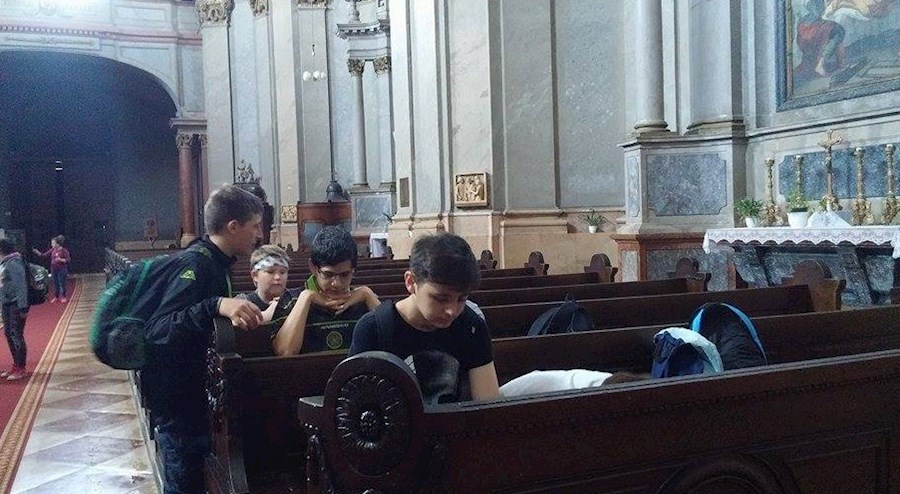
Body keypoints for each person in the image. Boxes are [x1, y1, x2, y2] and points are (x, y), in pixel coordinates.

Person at [142, 184, 266, 494]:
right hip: (177, 405)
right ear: (233, 227)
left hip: (194, 399)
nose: (259, 234)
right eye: (254, 226)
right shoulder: (195, 264)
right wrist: (215, 305)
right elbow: (158, 330)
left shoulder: (216, 261)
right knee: (183, 483)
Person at [349, 233, 500, 401]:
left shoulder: (472, 326)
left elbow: (487, 404)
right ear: (411, 282)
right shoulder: (373, 329)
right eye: (440, 298)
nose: (451, 311)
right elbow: (357, 402)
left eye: (461, 299)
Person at [272, 226, 379, 356]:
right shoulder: (291, 300)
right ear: (313, 268)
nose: (337, 283)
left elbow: (394, 345)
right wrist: (306, 297)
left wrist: (367, 294)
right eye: (328, 275)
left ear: (353, 270)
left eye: (345, 274)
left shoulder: (363, 300)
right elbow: (285, 352)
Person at [237, 244, 293, 330]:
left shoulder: (294, 299)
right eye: (270, 272)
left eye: (283, 272)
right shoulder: (243, 302)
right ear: (255, 275)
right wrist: (272, 311)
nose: (278, 277)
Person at [0, 238, 29, 381]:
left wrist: (23, 307)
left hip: (15, 304)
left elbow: (20, 286)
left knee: (16, 334)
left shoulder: (14, 263)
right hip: (6, 303)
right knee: (8, 333)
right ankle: (16, 365)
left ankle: (21, 368)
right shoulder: (4, 263)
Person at [32, 235, 71, 303]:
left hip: (62, 269)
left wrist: (60, 259)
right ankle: (56, 296)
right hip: (53, 269)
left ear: (57, 244)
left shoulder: (64, 250)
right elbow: (44, 255)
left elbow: (68, 260)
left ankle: (63, 297)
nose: (51, 244)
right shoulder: (53, 250)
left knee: (62, 283)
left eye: (53, 243)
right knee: (55, 283)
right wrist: (37, 252)